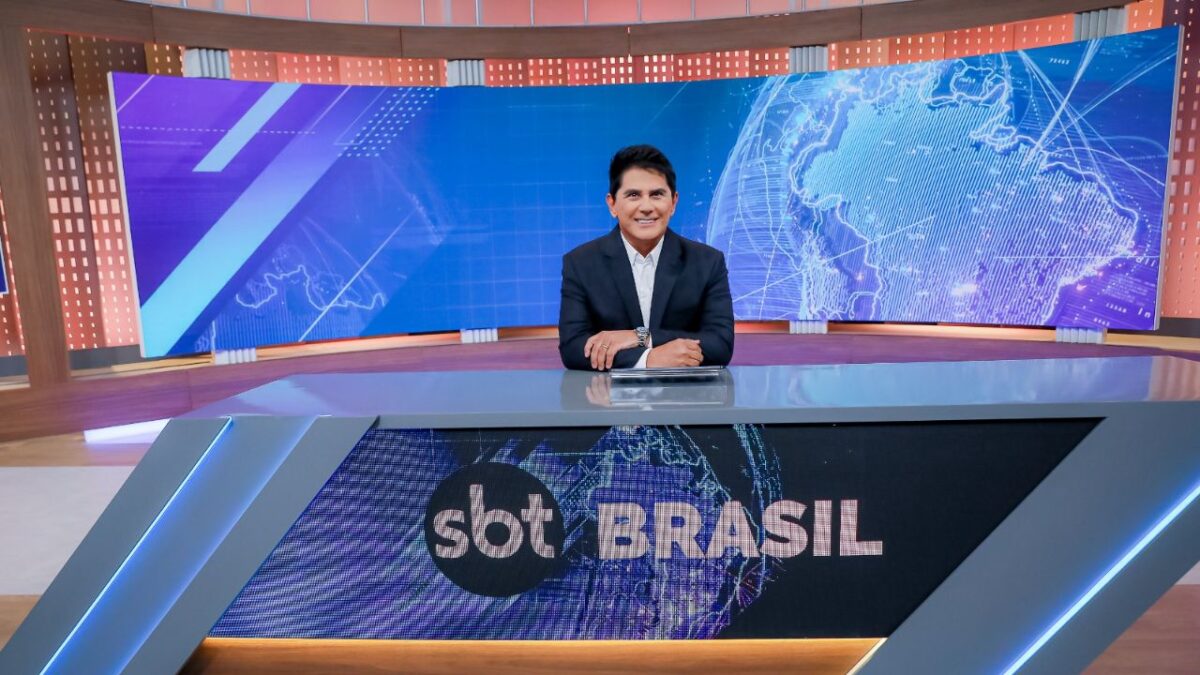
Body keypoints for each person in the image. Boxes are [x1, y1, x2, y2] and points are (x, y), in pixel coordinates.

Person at [559, 145, 734, 371]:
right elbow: (573, 347)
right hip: (608, 393)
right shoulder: (581, 263)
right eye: (633, 195)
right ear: (612, 204)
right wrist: (649, 359)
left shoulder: (708, 262)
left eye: (656, 194)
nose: (646, 207)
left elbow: (720, 344)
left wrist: (641, 337)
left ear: (673, 202)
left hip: (686, 391)